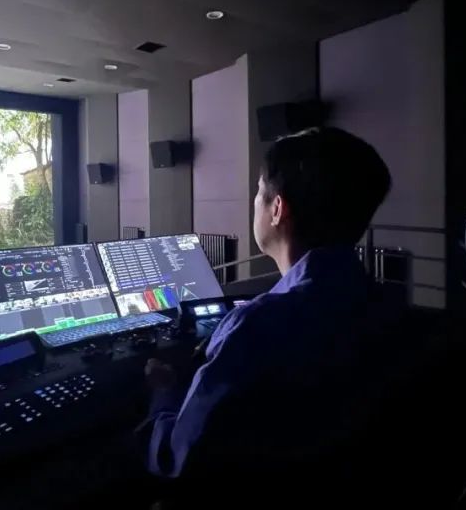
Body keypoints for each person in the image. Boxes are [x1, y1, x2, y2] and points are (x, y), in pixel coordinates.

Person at [143, 127, 398, 487]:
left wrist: (165, 394)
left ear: (277, 209)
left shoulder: (254, 328)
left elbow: (176, 458)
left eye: (259, 191)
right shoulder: (383, 303)